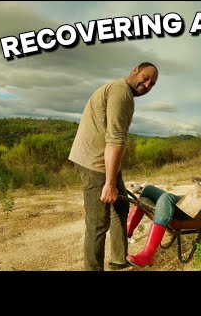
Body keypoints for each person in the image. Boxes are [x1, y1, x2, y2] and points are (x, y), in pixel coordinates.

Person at [68, 62, 159, 271]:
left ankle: (119, 259)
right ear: (135, 70)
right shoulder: (122, 94)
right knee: (98, 223)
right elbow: (115, 139)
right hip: (95, 164)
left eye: (152, 84)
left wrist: (113, 175)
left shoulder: (120, 90)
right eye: (145, 78)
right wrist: (109, 183)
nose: (147, 85)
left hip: (101, 161)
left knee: (120, 206)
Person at [126, 160, 201, 268]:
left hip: (193, 213)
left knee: (166, 197)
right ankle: (127, 232)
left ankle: (148, 254)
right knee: (148, 189)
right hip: (186, 203)